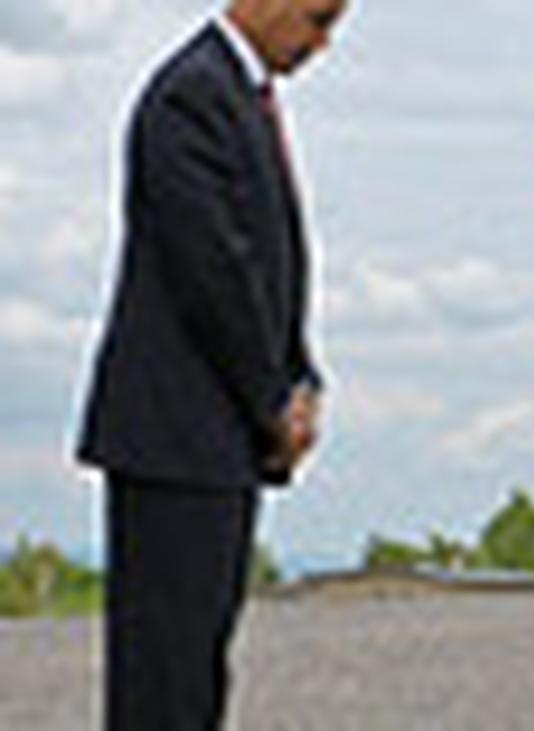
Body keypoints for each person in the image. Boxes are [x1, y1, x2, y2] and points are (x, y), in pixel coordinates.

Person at [74, 0, 347, 728]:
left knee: (195, 666)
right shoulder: (191, 96)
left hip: (215, 435)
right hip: (175, 434)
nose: (321, 44)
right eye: (318, 19)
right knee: (165, 677)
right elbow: (214, 275)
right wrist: (274, 402)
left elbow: (271, 267)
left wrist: (302, 379)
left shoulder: (238, 97)